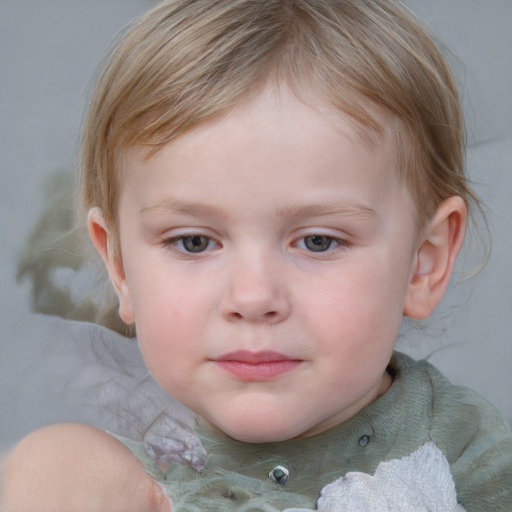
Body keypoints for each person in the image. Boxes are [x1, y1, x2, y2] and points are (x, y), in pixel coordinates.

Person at [2, 0, 511, 510]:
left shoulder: (468, 461)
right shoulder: (95, 488)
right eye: (194, 242)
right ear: (121, 269)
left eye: (318, 241)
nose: (253, 297)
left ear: (424, 260)